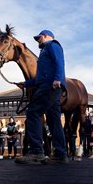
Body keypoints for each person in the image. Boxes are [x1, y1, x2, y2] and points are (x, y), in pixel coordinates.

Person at [15, 29, 68, 164]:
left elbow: (59, 63)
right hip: (50, 86)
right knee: (54, 121)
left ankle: (37, 152)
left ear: (45, 36)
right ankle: (61, 155)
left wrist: (58, 79)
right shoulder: (44, 51)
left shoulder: (52, 45)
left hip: (50, 87)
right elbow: (39, 78)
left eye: (39, 38)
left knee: (33, 113)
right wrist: (26, 84)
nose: (38, 41)